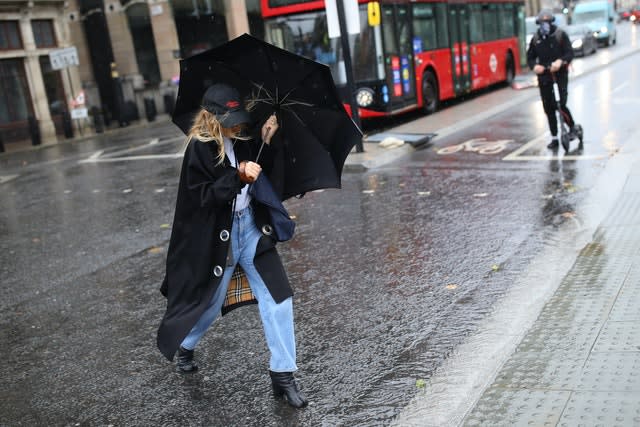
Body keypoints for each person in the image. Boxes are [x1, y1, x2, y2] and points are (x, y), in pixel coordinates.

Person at [156, 83, 308, 408]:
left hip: (251, 228)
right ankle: (186, 344)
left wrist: (268, 139)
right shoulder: (199, 147)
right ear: (211, 118)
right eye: (230, 119)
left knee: (278, 301)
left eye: (239, 117)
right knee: (209, 305)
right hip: (217, 240)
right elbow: (202, 198)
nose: (237, 124)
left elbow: (266, 172)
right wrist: (237, 177)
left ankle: (283, 375)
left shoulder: (243, 136)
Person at [527, 9, 577, 151]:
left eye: (547, 22)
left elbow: (569, 53)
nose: (545, 25)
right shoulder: (536, 38)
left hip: (559, 74)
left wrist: (560, 61)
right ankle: (554, 136)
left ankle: (572, 127)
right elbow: (530, 56)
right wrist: (534, 66)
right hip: (544, 76)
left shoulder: (560, 35)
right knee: (548, 106)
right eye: (542, 23)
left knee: (561, 103)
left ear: (551, 22)